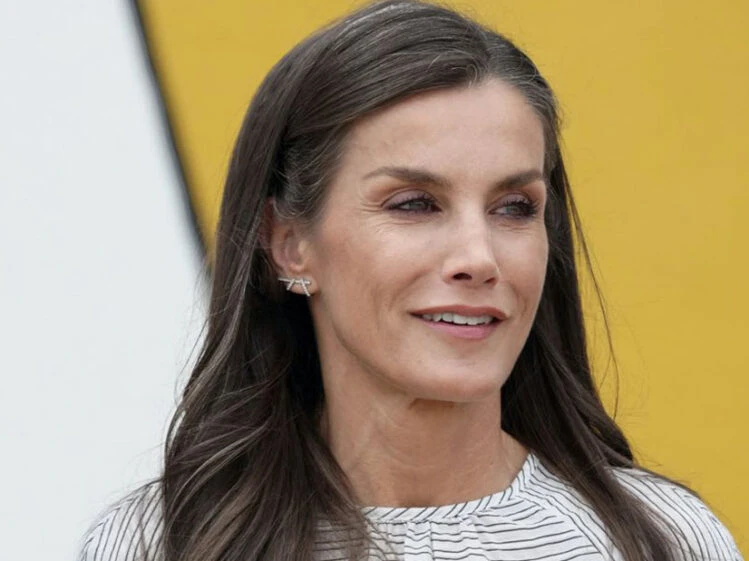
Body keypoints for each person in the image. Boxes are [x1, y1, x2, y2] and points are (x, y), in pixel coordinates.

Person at [78, 1, 742, 560]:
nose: (478, 256)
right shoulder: (163, 542)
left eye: (514, 207)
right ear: (289, 244)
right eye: (414, 204)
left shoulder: (660, 538)